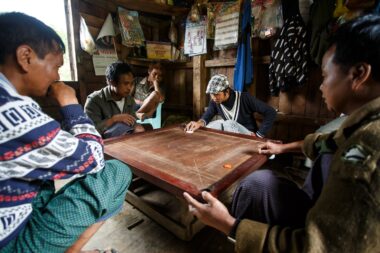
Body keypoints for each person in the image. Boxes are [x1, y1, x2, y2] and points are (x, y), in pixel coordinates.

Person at [183, 14, 380, 252]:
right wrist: (282, 147)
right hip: (312, 206)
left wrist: (228, 225)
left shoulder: (369, 153)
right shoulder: (358, 125)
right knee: (252, 176)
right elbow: (328, 142)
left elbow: (269, 113)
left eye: (326, 76)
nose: (320, 85)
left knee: (226, 127)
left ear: (359, 74)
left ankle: (235, 233)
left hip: (248, 138)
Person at [0, 12, 132, 253]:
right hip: (11, 242)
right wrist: (71, 104)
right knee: (117, 172)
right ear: (25, 57)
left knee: (57, 181)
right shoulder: (11, 109)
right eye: (56, 66)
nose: (57, 76)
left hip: (15, 206)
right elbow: (94, 158)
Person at [185, 74, 277, 137]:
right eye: (211, 94)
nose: (214, 97)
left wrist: (259, 135)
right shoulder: (215, 101)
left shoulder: (244, 98)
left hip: (248, 136)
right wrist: (198, 123)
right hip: (232, 136)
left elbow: (271, 112)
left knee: (228, 123)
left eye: (217, 94)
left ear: (227, 91)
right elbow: (207, 116)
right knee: (210, 125)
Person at [85, 61, 145, 139]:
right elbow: (89, 130)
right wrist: (114, 119)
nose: (129, 88)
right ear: (112, 82)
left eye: (131, 83)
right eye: (126, 83)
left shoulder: (129, 99)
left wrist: (136, 126)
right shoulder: (94, 100)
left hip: (125, 140)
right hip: (104, 144)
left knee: (140, 130)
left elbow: (132, 121)